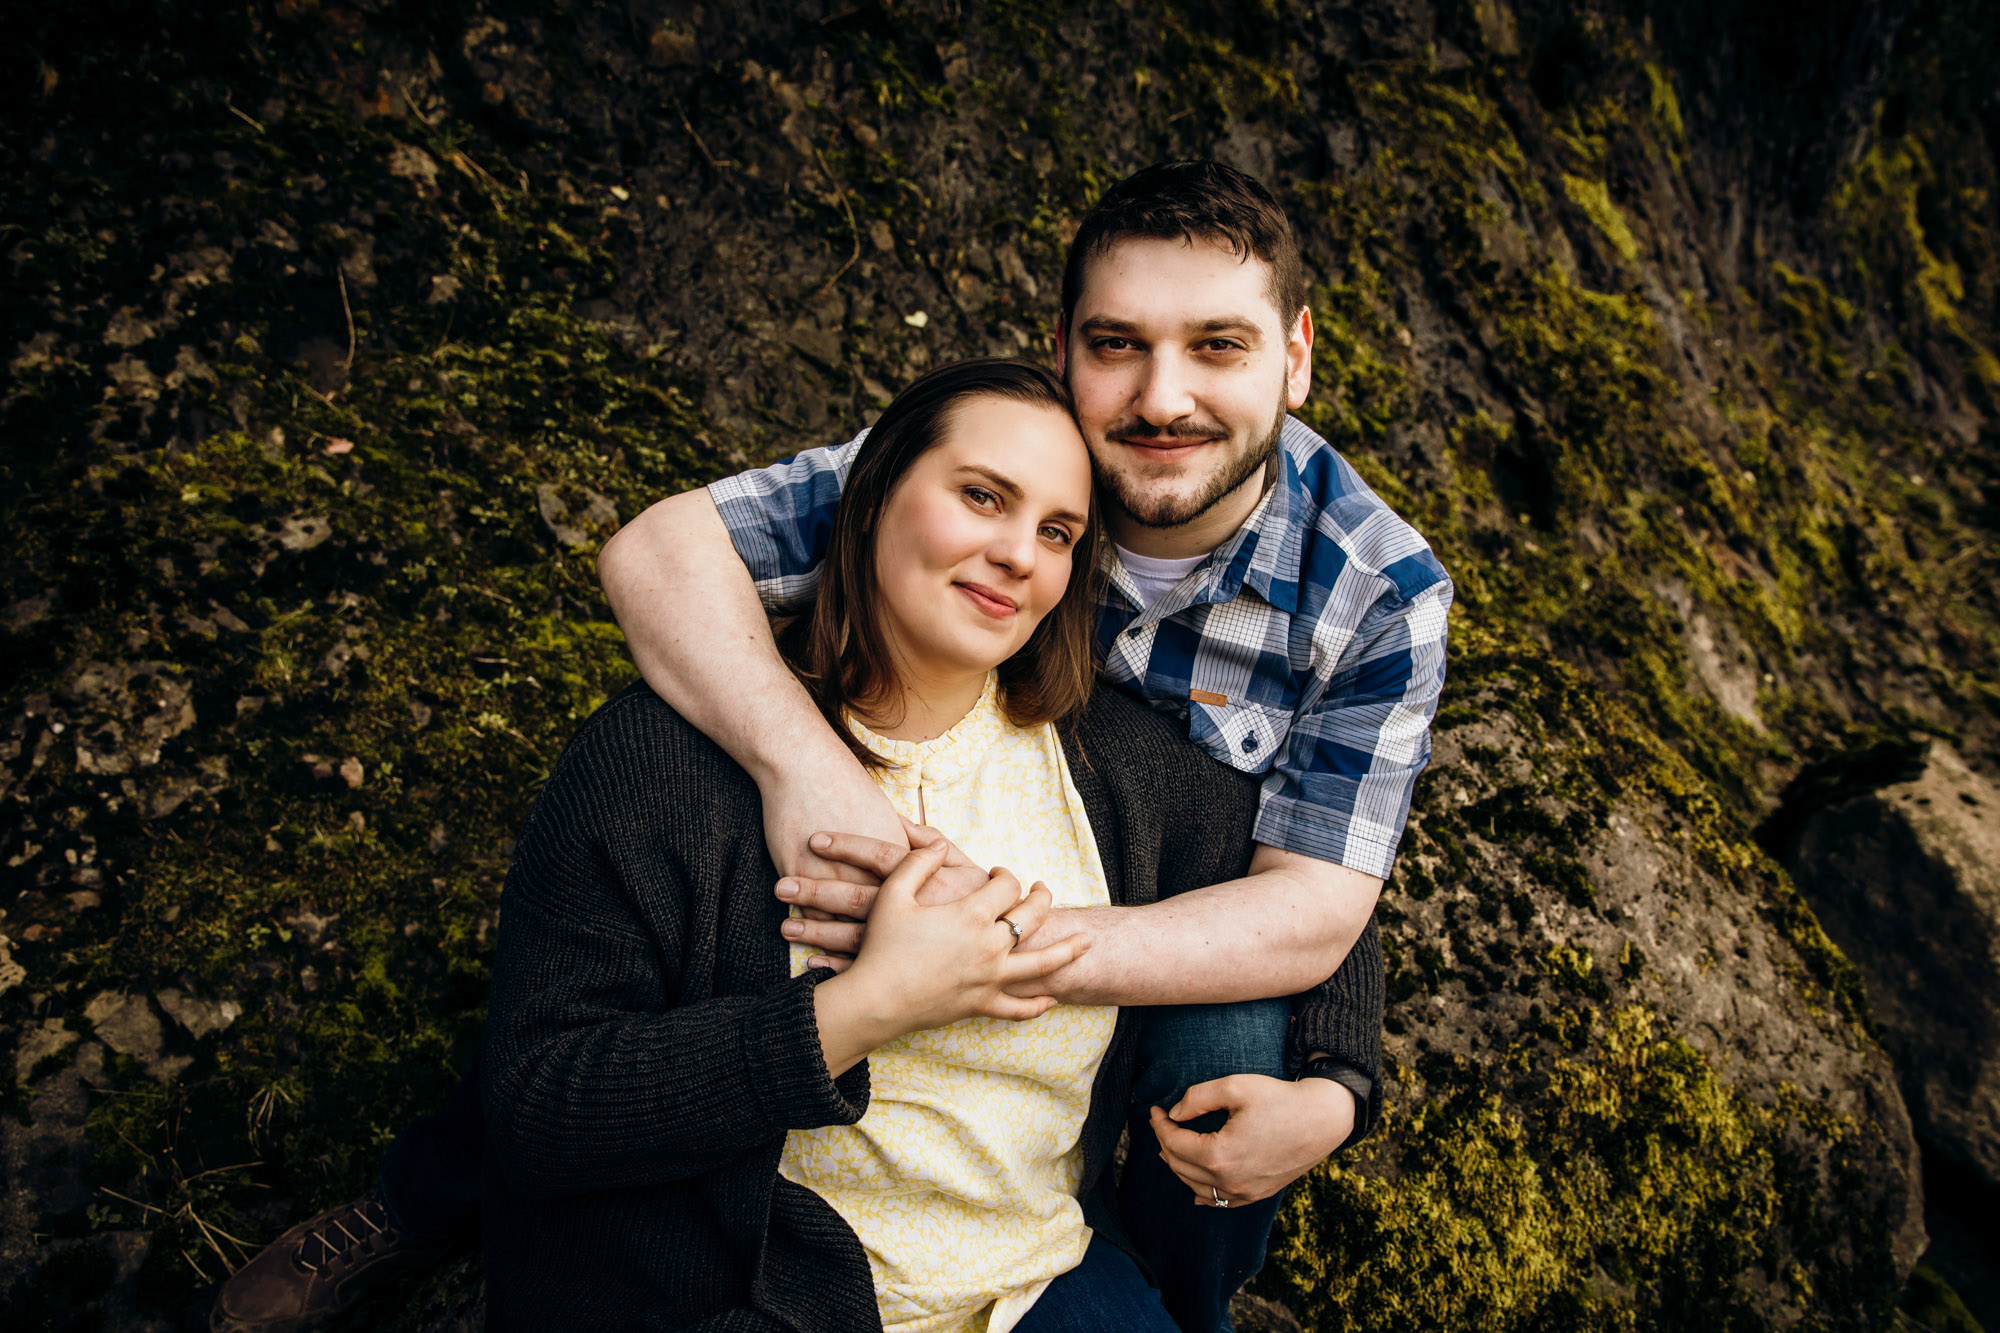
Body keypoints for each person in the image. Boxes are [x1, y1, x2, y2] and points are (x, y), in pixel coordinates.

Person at [593, 159, 1451, 1332]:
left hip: (1136, 917)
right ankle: (481, 1174)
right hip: (848, 888)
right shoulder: (997, 473)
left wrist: (1338, 1080)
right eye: (1116, 345)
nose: (1161, 399)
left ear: (1294, 354)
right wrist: (805, 771)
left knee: (1240, 1049)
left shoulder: (1373, 594)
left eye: (1216, 346)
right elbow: (658, 556)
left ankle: (1149, 1288)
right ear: (1061, 348)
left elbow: (1314, 898)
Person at [475, 357, 1382, 1330]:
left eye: (1056, 532)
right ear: (867, 500)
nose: (1015, 553)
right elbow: (537, 1111)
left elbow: (1308, 887)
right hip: (759, 1294)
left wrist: (1336, 1089)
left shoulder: (1113, 761)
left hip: (1037, 1277)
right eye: (981, 496)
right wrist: (864, 1009)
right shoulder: (664, 760)